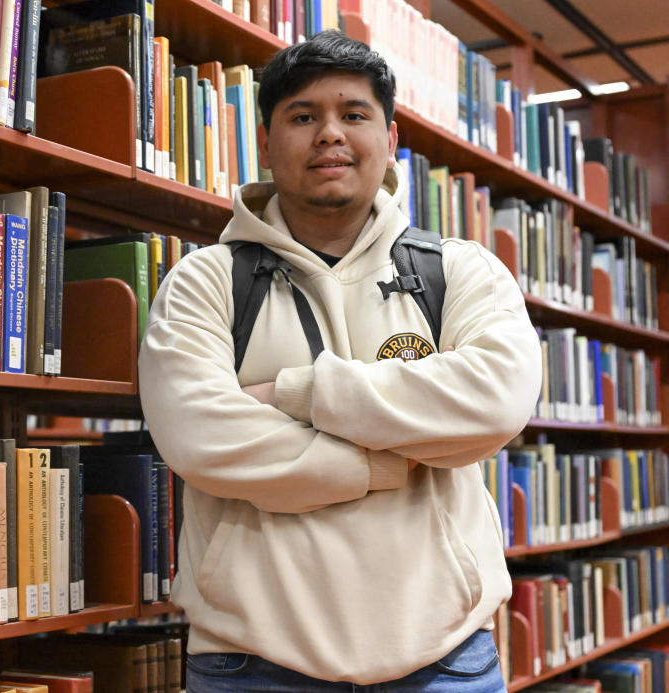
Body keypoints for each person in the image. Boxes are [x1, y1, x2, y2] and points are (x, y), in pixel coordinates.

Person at [138, 30, 542, 691]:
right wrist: (389, 457)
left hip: (444, 661)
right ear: (266, 141)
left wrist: (298, 392)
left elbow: (496, 399)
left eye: (353, 114)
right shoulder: (204, 282)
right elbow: (198, 435)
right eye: (303, 116)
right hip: (254, 665)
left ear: (389, 139)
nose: (330, 133)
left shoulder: (459, 270)